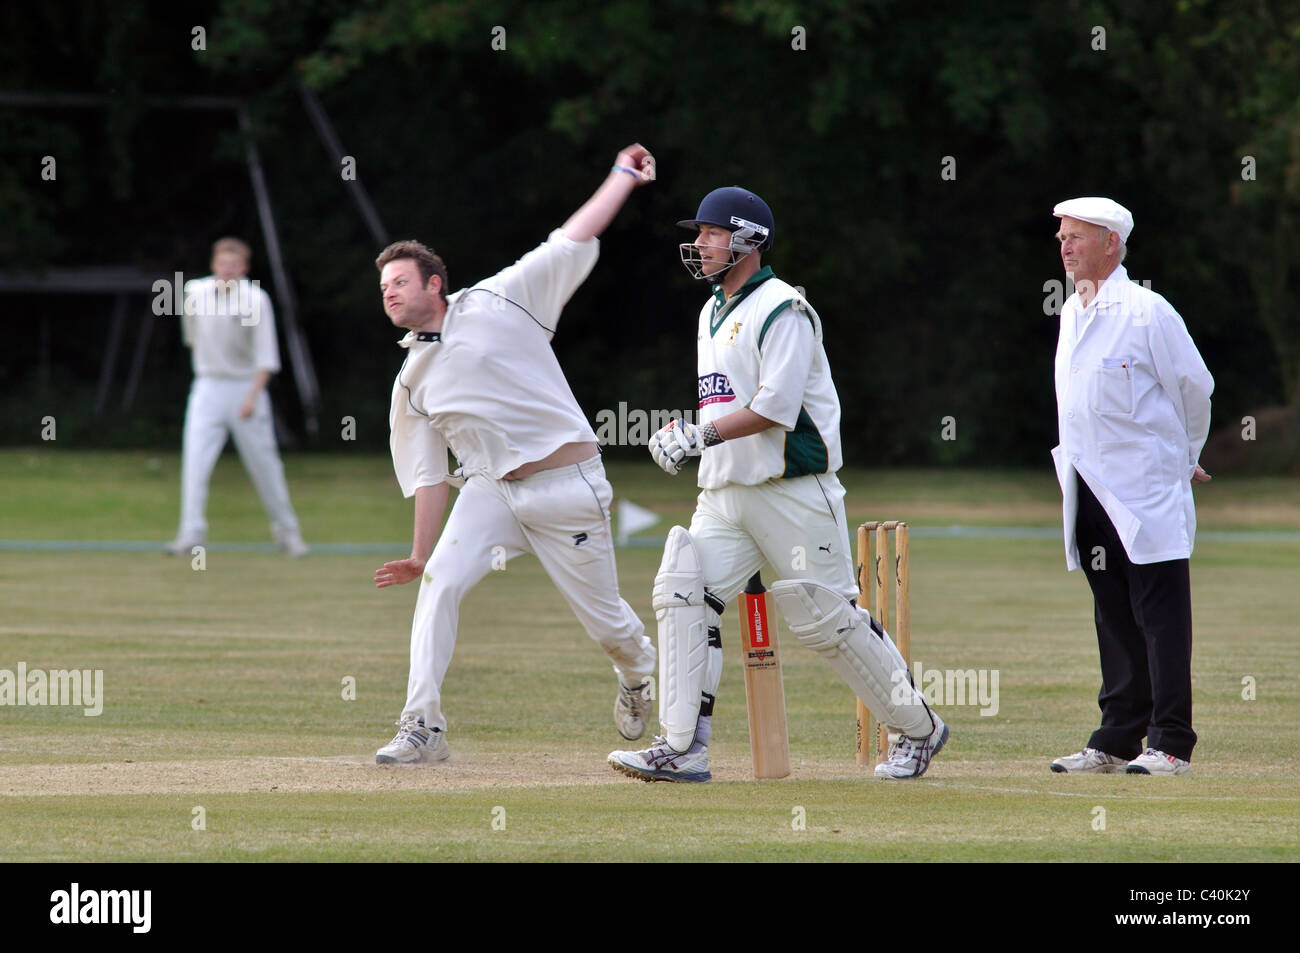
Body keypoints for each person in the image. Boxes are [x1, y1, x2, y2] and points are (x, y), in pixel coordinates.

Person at [607, 186, 947, 782]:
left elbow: (775, 409)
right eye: (699, 233)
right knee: (682, 590)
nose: (700, 243)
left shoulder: (784, 308)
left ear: (747, 239)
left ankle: (918, 730)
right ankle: (682, 748)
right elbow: (723, 404)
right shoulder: (710, 311)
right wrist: (684, 434)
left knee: (827, 620)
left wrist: (699, 436)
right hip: (724, 493)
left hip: (793, 487)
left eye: (712, 232)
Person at [371, 144, 659, 765]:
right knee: (440, 587)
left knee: (608, 626)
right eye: (384, 286)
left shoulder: (501, 299)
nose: (389, 293)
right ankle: (423, 726)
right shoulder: (411, 379)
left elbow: (569, 240)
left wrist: (620, 177)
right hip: (490, 491)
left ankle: (638, 673)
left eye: (400, 281)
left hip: (567, 485)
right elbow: (428, 476)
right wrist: (420, 555)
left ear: (434, 283)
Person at [1048, 197, 1214, 776]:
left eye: (1076, 237)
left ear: (1111, 244)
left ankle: (1170, 741)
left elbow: (1195, 387)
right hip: (1087, 485)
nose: (1064, 246)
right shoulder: (1071, 311)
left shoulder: (1148, 312)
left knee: (1160, 617)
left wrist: (1184, 456)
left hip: (1145, 490)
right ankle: (1117, 737)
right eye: (1062, 236)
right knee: (1112, 614)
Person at [167, 237, 308, 557]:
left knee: (265, 465)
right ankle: (190, 533)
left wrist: (251, 397)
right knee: (195, 463)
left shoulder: (256, 300)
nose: (228, 270)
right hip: (207, 385)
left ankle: (288, 532)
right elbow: (191, 339)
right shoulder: (194, 293)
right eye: (222, 264)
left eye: (234, 265)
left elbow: (266, 356)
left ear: (243, 268)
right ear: (214, 265)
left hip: (247, 387)